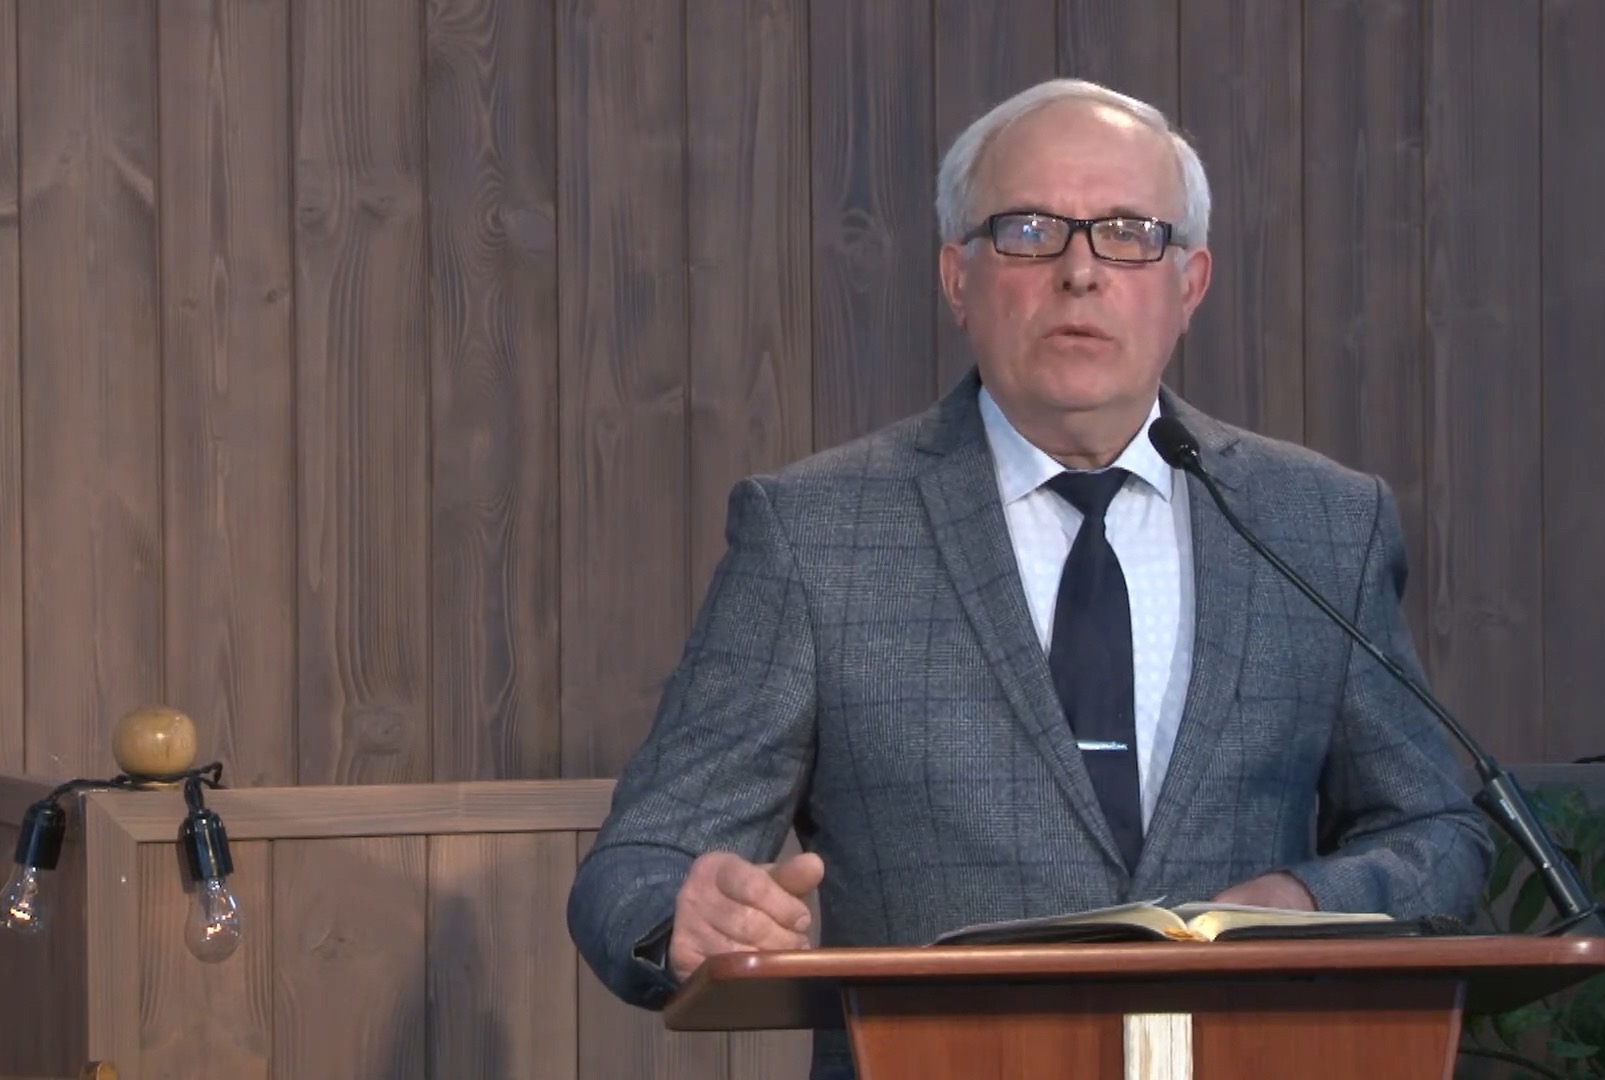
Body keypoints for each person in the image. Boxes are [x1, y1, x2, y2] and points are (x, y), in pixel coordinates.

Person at [568, 77, 1492, 1078]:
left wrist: (1305, 902)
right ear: (957, 278)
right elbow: (638, 864)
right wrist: (683, 919)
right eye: (1030, 232)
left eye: (1129, 233)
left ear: (1190, 284)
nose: (1080, 272)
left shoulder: (1320, 523)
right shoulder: (817, 536)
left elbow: (1434, 831)